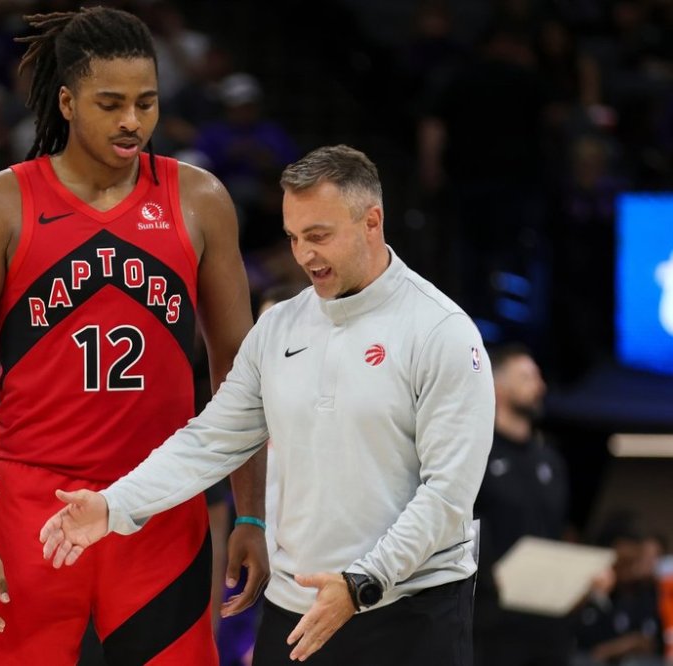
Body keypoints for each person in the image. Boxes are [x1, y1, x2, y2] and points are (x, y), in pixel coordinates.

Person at [41, 144, 495, 666]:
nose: (304, 256)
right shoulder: (278, 328)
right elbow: (211, 439)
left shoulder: (442, 332)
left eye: (319, 236)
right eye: (294, 238)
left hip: (407, 613)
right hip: (294, 612)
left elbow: (448, 497)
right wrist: (114, 505)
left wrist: (361, 584)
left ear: (372, 222)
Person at [0, 7, 269, 665]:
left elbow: (240, 369)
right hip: (32, 500)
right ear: (66, 101)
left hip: (161, 499)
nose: (132, 122)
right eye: (110, 103)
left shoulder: (199, 199)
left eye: (146, 103)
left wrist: (250, 513)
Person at [473, 344, 571, 666]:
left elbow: (558, 534)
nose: (539, 386)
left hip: (550, 620)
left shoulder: (550, 460)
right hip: (493, 621)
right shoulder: (476, 454)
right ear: (498, 386)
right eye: (527, 377)